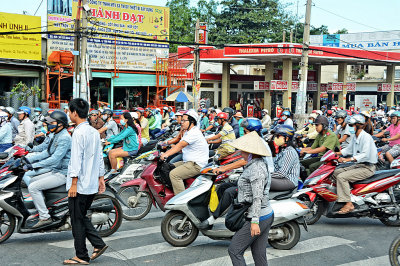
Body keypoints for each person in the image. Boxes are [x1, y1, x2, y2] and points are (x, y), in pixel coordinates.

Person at [199, 118, 274, 229]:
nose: (244, 133)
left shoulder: (258, 144)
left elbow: (244, 161)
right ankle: (227, 213)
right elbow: (240, 153)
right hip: (249, 176)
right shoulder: (252, 141)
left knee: (229, 192)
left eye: (246, 131)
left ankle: (213, 219)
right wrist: (226, 160)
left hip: (259, 180)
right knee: (223, 187)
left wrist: (223, 168)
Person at [64, 98, 108, 265]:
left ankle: (81, 255)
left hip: (80, 184)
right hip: (90, 183)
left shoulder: (78, 132)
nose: (69, 113)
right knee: (81, 216)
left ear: (75, 113)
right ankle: (98, 244)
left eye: (69, 111)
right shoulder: (92, 131)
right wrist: (101, 178)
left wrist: (74, 183)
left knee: (77, 219)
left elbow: (76, 159)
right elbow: (99, 157)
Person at [227, 131, 274, 266]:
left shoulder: (257, 169)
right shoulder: (256, 163)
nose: (241, 151)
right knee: (259, 255)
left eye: (243, 149)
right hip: (264, 214)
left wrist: (254, 221)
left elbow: (257, 196)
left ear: (250, 152)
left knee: (235, 250)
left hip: (259, 215)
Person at [26, 111, 71, 228]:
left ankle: (45, 217)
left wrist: (33, 166)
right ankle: (43, 207)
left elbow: (54, 159)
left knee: (33, 187)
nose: (49, 124)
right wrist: (29, 160)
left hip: (63, 173)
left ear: (60, 124)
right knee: (31, 181)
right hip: (56, 170)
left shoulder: (65, 137)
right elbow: (47, 152)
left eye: (52, 122)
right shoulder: (57, 134)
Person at [333, 114, 377, 214]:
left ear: (358, 125)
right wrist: (335, 154)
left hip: (367, 167)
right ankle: (348, 194)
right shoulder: (355, 137)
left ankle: (349, 203)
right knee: (336, 172)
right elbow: (348, 149)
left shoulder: (366, 137)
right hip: (359, 165)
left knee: (341, 177)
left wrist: (348, 159)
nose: (350, 128)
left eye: (351, 125)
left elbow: (365, 155)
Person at [160, 110, 209, 195]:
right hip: (188, 161)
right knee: (168, 167)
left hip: (196, 164)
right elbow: (179, 146)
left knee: (174, 175)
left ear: (192, 121)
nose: (181, 122)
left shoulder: (194, 132)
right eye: (181, 120)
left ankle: (180, 200)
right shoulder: (188, 132)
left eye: (184, 120)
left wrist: (166, 154)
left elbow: (180, 145)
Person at [271, 125, 300, 191]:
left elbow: (281, 173)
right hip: (282, 179)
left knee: (261, 180)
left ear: (286, 138)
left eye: (278, 136)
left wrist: (265, 175)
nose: (275, 138)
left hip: (289, 181)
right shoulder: (282, 150)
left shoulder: (289, 152)